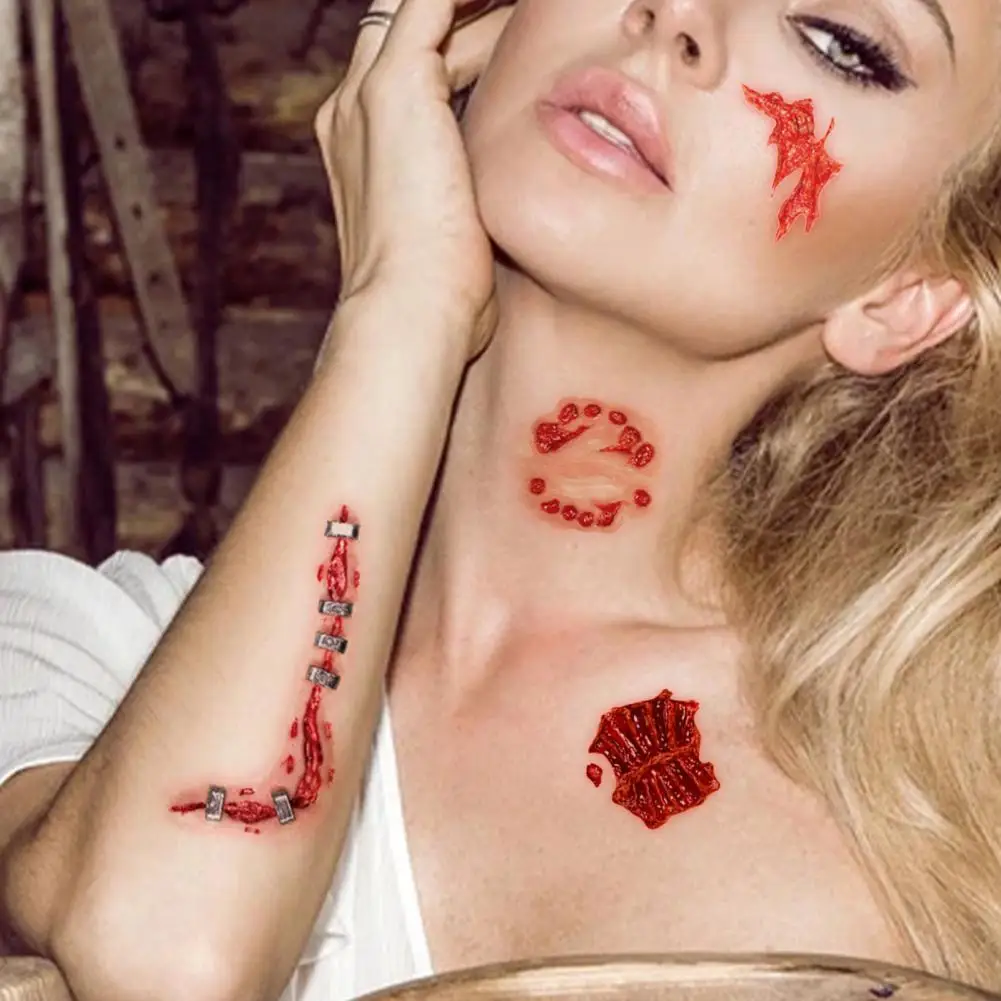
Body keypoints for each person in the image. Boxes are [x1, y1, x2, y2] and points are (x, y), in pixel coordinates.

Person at [1, 0, 1000, 998]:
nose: (677, 16)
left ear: (902, 299)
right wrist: (399, 305)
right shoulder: (80, 653)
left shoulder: (922, 805)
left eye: (837, 42)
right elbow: (163, 958)